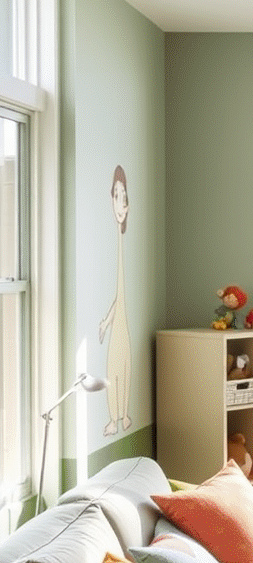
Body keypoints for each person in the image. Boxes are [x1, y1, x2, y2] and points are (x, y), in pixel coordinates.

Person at [99, 165, 132, 435]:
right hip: (117, 321)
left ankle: (120, 415)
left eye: (122, 196)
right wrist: (107, 321)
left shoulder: (122, 246)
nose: (118, 201)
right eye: (115, 195)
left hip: (120, 322)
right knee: (115, 365)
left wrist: (108, 320)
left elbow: (120, 297)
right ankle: (116, 417)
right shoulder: (117, 245)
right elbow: (118, 298)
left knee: (122, 365)